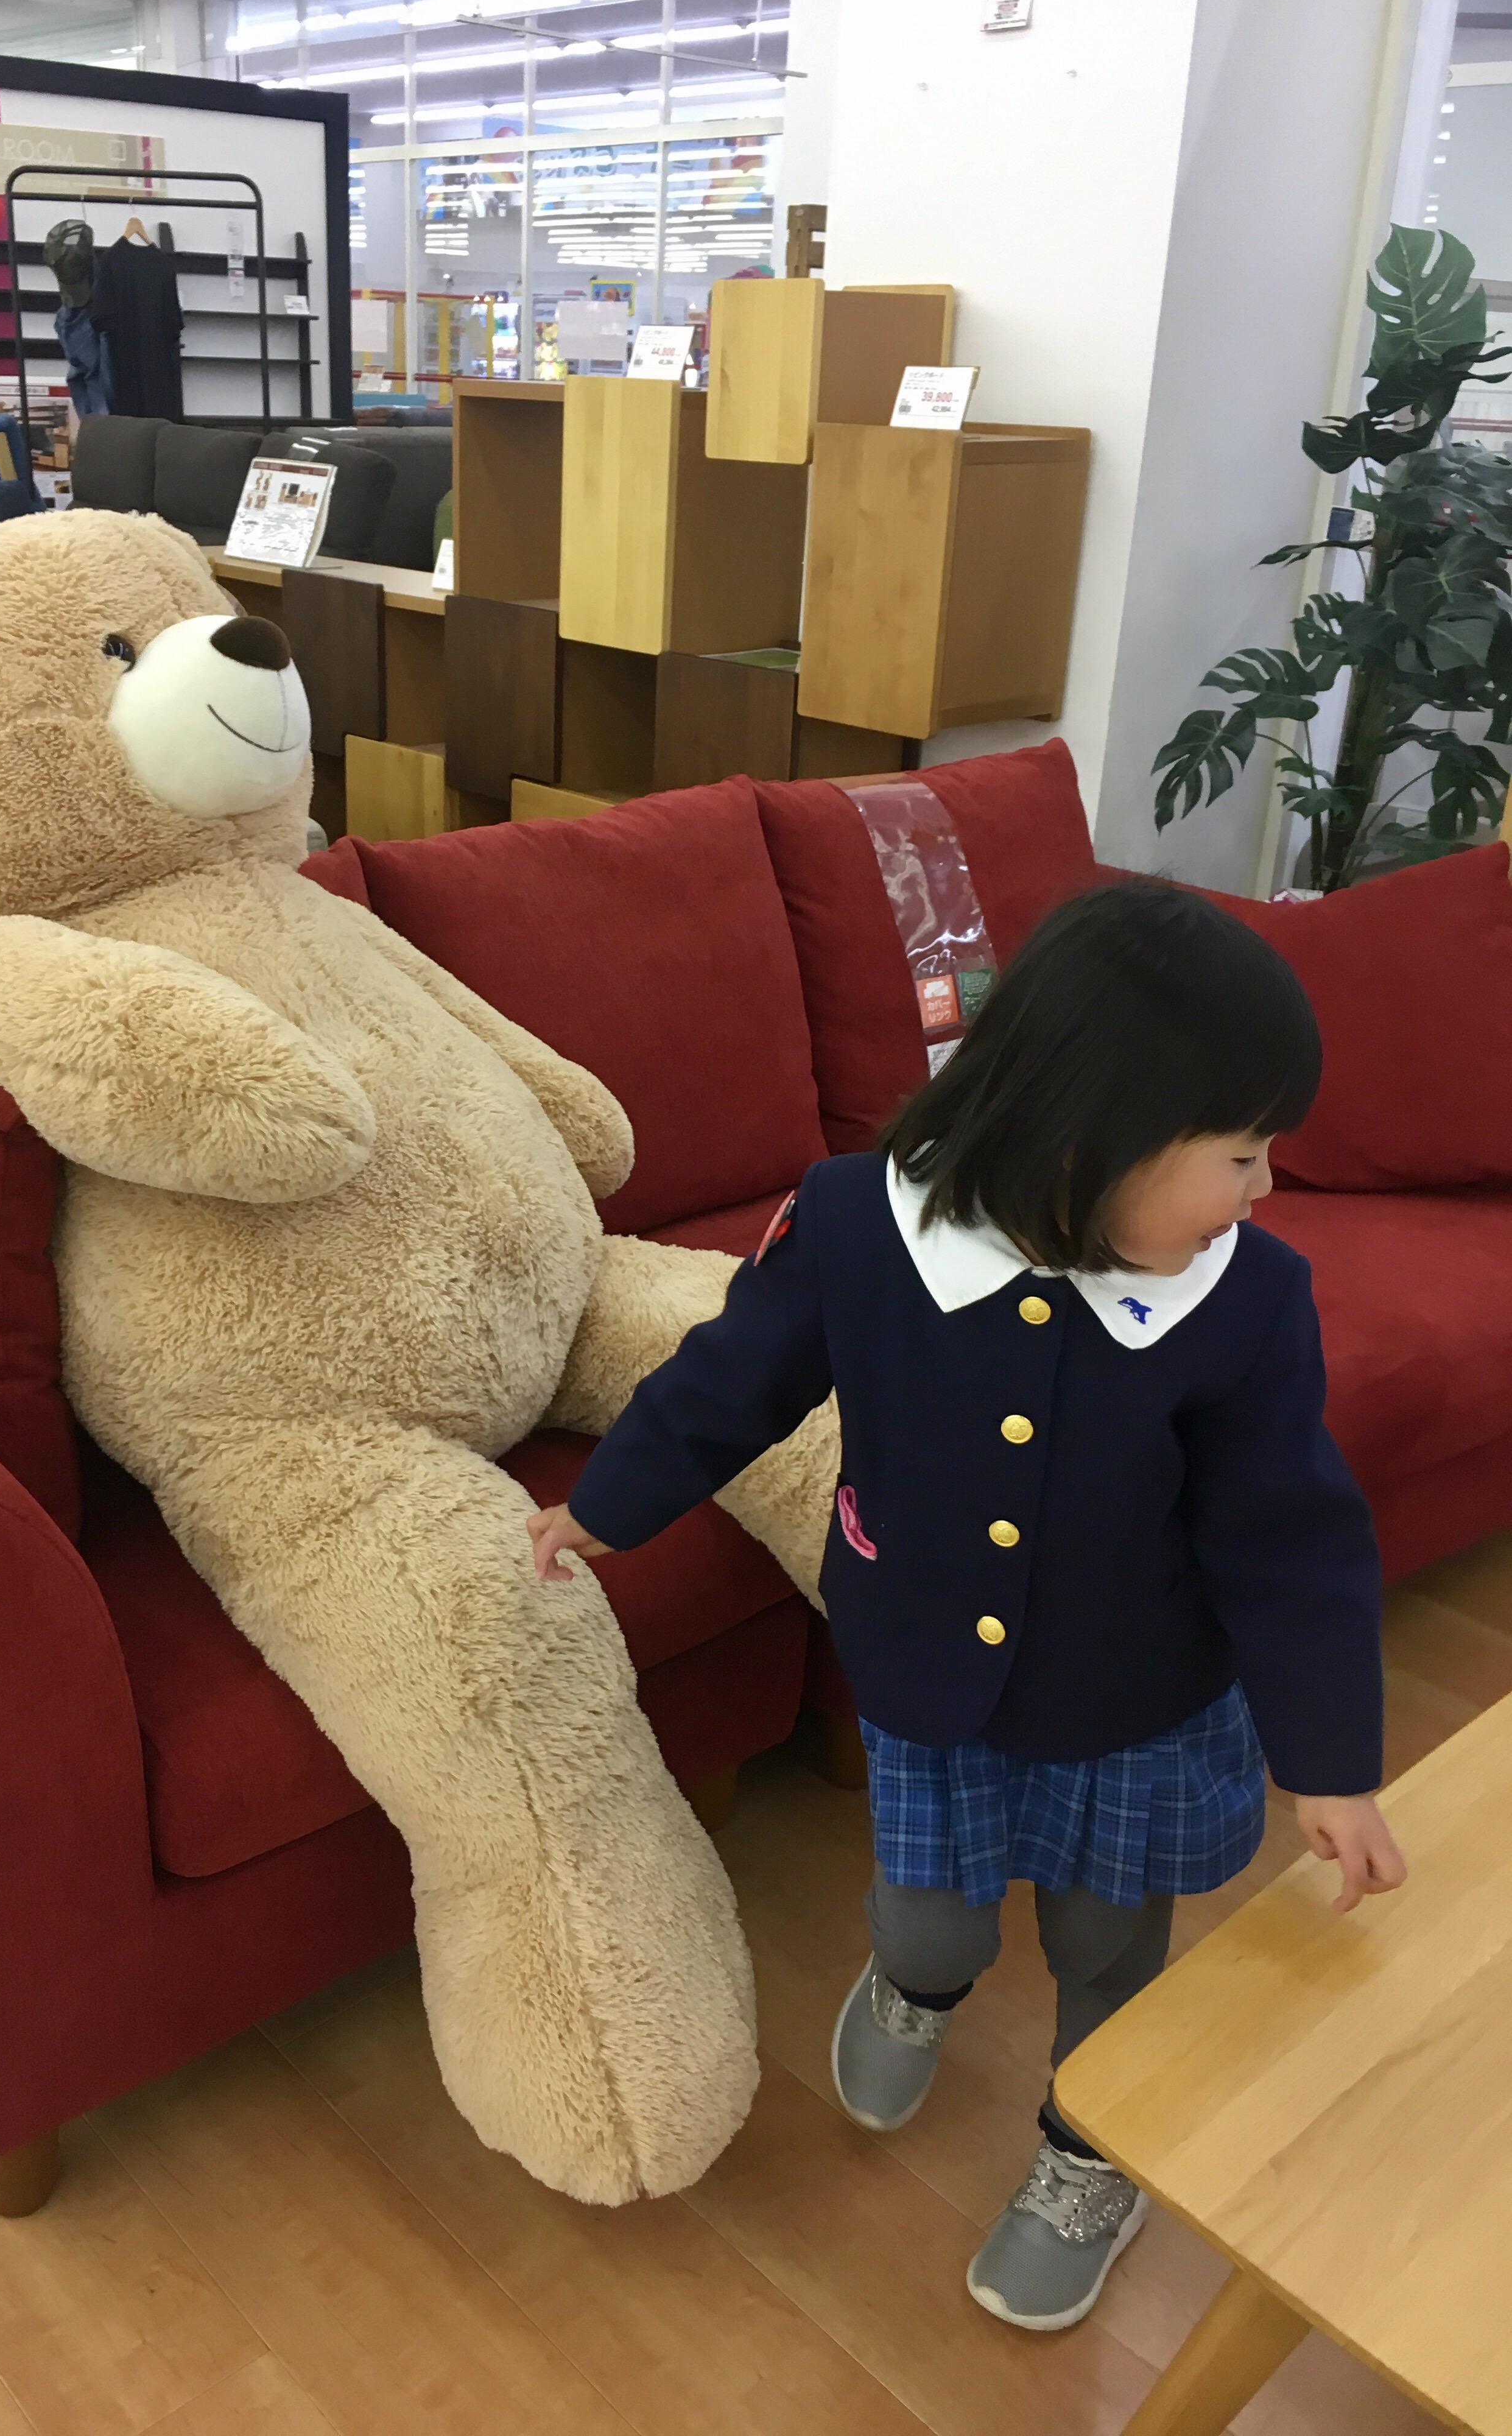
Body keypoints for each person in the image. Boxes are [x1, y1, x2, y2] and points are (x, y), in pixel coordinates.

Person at [527, 880, 1405, 2333]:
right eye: (1241, 1156)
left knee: (1108, 1955)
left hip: (1137, 1710)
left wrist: (1331, 1759)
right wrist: (608, 1505)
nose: (1264, 1192)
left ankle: (1094, 2151)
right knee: (927, 1920)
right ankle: (915, 1989)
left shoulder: (1244, 1301)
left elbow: (1290, 1537)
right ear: (1090, 1135)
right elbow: (733, 1378)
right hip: (927, 1677)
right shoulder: (856, 1223)